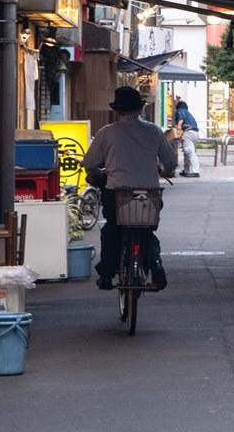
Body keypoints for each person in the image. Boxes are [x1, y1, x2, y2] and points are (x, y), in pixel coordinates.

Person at [85, 86, 177, 291]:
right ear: (140, 108)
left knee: (112, 230)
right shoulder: (154, 131)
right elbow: (170, 162)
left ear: (117, 110)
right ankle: (156, 266)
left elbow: (90, 162)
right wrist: (163, 169)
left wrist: (97, 173)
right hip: (149, 195)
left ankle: (108, 274)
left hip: (117, 193)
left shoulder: (106, 133)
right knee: (146, 233)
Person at [171, 96, 202, 178]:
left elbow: (181, 119)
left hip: (188, 132)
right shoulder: (189, 114)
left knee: (189, 151)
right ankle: (186, 170)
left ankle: (196, 171)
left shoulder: (180, 111)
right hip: (195, 133)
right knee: (187, 152)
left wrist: (179, 129)